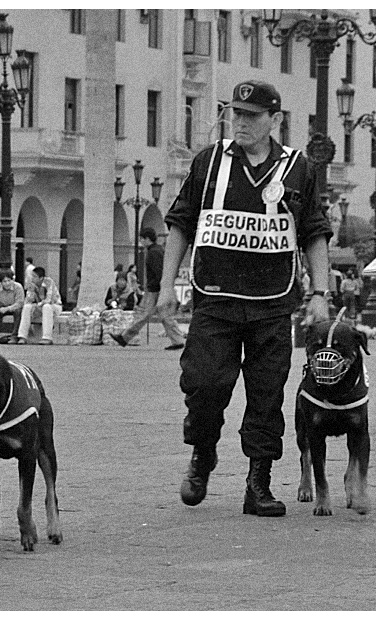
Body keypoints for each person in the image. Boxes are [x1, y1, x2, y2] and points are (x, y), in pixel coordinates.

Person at [157, 80, 331, 516]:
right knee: (204, 384)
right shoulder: (210, 162)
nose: (242, 123)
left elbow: (314, 231)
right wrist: (164, 288)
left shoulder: (297, 168)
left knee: (266, 393)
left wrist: (321, 292)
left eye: (252, 116)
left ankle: (259, 482)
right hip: (215, 298)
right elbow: (181, 223)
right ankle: (202, 451)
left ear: (275, 120)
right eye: (237, 114)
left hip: (273, 302)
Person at [110, 228, 185, 350]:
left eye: (142, 239)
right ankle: (177, 340)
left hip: (154, 290)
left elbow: (158, 271)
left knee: (143, 314)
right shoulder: (159, 250)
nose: (141, 242)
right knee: (165, 316)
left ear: (147, 239)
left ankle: (124, 337)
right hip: (159, 288)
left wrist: (158, 287)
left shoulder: (153, 252)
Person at [17, 266, 63, 344]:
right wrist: (31, 292)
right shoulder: (31, 284)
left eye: (34, 276)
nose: (32, 278)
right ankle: (22, 336)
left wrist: (38, 304)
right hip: (39, 306)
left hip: (54, 306)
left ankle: (47, 337)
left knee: (46, 307)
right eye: (32, 276)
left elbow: (49, 300)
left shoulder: (49, 282)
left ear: (41, 278)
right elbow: (27, 301)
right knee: (27, 307)